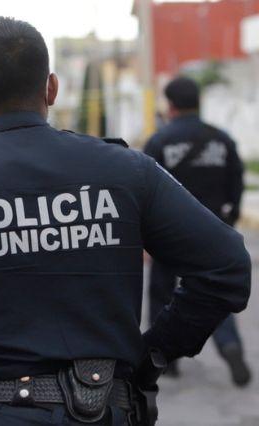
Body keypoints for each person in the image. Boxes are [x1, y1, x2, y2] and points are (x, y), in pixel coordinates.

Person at [0, 17, 251, 425]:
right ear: (51, 88)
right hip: (101, 409)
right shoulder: (127, 173)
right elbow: (226, 265)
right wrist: (154, 352)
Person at [143, 76, 251, 387]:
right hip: (213, 230)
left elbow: (144, 188)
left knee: (164, 296)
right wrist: (229, 221)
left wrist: (144, 236)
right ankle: (230, 346)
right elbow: (237, 181)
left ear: (171, 105)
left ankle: (165, 359)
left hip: (168, 233)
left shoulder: (161, 140)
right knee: (212, 295)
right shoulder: (222, 139)